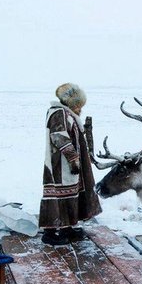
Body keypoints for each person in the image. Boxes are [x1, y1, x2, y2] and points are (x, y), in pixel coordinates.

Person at [40, 83, 102, 245]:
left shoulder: (66, 114)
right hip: (59, 165)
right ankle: (50, 232)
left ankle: (67, 228)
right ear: (72, 103)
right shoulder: (58, 113)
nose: (80, 109)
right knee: (58, 194)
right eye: (78, 105)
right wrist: (73, 158)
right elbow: (58, 137)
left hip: (66, 165)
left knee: (70, 194)